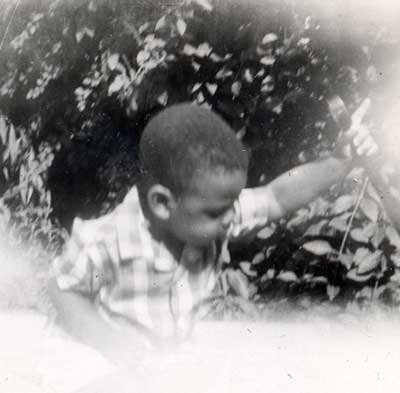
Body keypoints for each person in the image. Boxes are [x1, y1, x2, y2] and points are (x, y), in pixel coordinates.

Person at [48, 101, 377, 367]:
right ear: (163, 203)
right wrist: (107, 341)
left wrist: (337, 163)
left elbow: (275, 197)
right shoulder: (107, 239)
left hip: (163, 366)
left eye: (233, 203)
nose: (232, 216)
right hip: (103, 366)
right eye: (218, 211)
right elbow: (64, 289)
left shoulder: (212, 214)